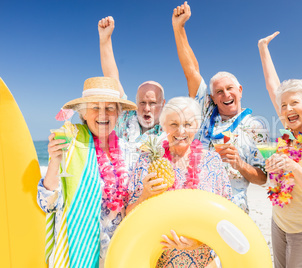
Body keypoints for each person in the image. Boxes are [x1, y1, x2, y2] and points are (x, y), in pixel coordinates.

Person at [171, 2, 267, 213]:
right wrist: (179, 29)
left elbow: (263, 178)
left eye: (230, 89)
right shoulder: (205, 111)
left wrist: (240, 164)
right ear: (212, 98)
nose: (226, 95)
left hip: (232, 210)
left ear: (240, 90)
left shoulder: (256, 126)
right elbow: (192, 71)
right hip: (195, 204)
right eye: (219, 92)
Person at [37, 77, 138, 267]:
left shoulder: (130, 152)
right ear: (83, 114)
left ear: (118, 114)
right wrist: (55, 160)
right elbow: (47, 204)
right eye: (95, 108)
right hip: (78, 251)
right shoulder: (71, 145)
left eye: (109, 108)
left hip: (118, 252)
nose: (103, 114)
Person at [127, 96, 232, 268]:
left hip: (204, 260)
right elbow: (128, 215)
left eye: (188, 124)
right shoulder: (147, 161)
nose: (181, 131)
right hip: (158, 260)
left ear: (196, 126)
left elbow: (227, 216)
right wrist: (145, 195)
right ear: (163, 126)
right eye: (174, 124)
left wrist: (198, 241)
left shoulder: (213, 161)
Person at [258, 32, 302, 268]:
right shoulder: (286, 138)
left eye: (295, 102)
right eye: (284, 105)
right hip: (278, 223)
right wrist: (263, 48)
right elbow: (272, 87)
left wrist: (292, 166)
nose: (288, 108)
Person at [98, 16, 165, 144]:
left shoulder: (171, 131)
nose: (146, 108)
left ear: (163, 104)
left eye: (152, 103)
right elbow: (112, 78)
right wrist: (105, 39)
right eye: (142, 102)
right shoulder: (125, 117)